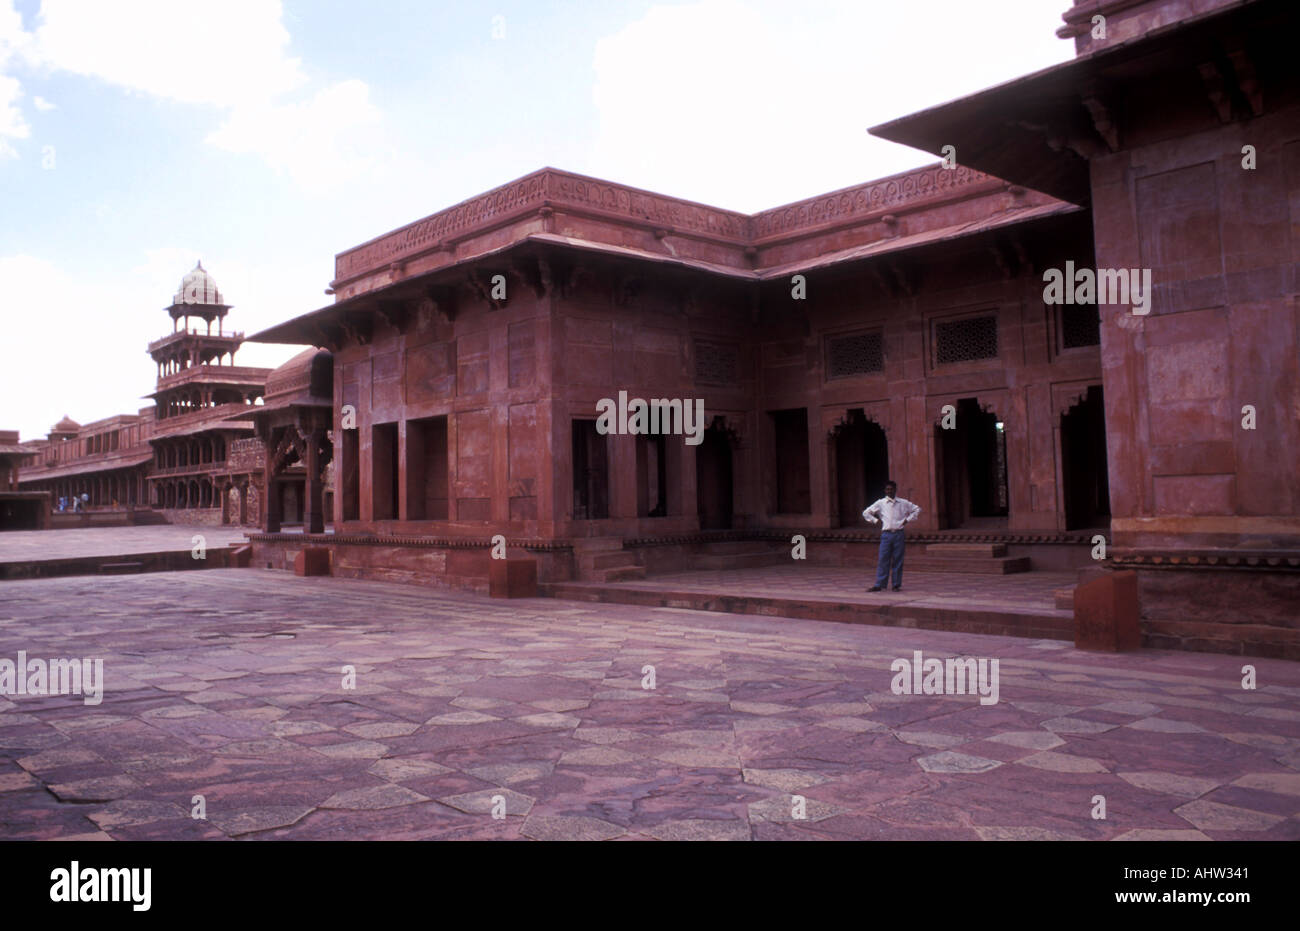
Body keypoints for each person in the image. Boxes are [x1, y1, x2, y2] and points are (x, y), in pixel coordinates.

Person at [862, 480, 921, 592]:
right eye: (887, 489)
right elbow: (866, 512)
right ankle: (879, 584)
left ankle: (896, 585)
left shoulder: (903, 503)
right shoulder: (881, 503)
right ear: (885, 491)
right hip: (886, 535)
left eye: (891, 489)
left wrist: (907, 520)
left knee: (898, 560)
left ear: (895, 489)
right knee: (883, 559)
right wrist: (875, 521)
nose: (889, 491)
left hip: (899, 534)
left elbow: (917, 509)